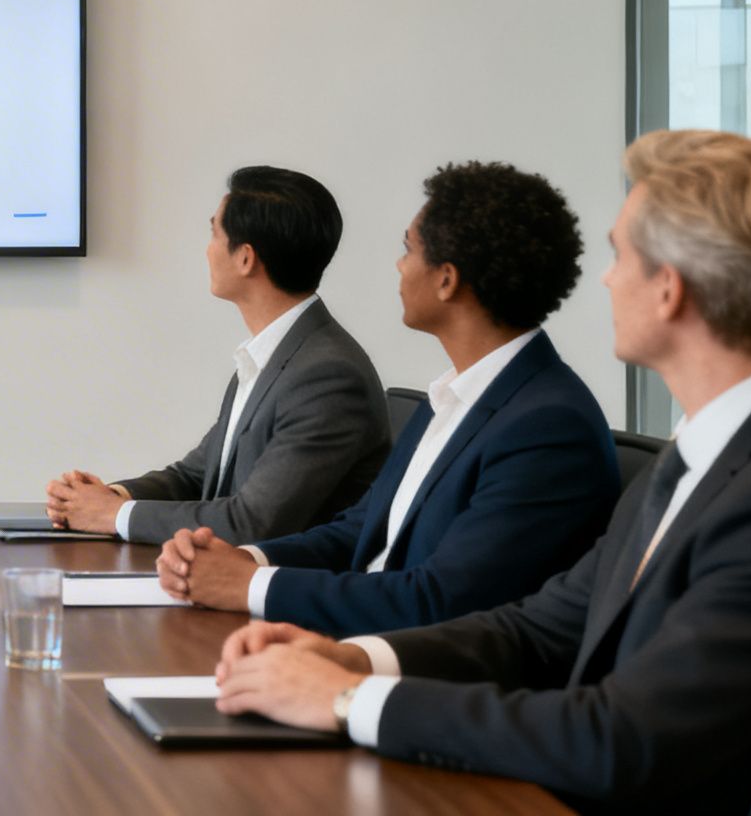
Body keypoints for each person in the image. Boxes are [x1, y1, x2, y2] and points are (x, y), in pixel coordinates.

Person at [214, 130, 751, 814]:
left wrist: (348, 698)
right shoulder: (699, 456)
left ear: (669, 289)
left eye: (620, 256)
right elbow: (537, 627)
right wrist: (353, 660)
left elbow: (623, 739)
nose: (604, 279)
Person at [158, 162, 619, 633]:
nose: (399, 266)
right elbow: (360, 529)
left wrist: (250, 586)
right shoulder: (449, 397)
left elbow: (442, 601)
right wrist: (244, 559)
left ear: (446, 280)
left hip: (406, 661)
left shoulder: (547, 426)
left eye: (408, 249)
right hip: (353, 640)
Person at [46, 166, 389, 544]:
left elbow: (252, 522)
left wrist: (112, 515)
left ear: (245, 258)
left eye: (214, 233)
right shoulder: (271, 356)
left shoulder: (327, 376)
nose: (208, 249)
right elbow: (195, 476)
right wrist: (110, 497)